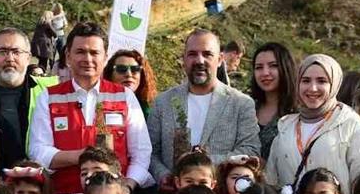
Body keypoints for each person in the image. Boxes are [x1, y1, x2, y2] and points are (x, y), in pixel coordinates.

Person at [29, 22, 153, 194]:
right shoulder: (49, 97)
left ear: (105, 57)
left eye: (94, 52)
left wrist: (128, 186)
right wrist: (84, 157)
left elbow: (141, 152)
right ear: (68, 56)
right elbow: (38, 151)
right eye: (80, 52)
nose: (87, 58)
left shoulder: (124, 96)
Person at [148, 29, 261, 184]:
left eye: (207, 54)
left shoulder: (241, 104)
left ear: (220, 60)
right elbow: (150, 152)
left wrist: (204, 163)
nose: (200, 60)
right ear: (184, 59)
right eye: (192, 54)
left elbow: (250, 150)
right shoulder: (162, 102)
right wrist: (164, 176)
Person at [265, 54, 360, 194]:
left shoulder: (349, 123)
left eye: (322, 81)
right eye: (306, 81)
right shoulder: (286, 126)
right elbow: (271, 180)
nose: (313, 88)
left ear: (334, 84)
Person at [0, 28, 58, 168]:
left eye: (16, 52)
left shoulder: (53, 89)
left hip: (40, 177)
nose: (10, 58)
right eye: (3, 52)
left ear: (28, 58)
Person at [250, 43, 297, 160]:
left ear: (286, 68)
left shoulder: (298, 113)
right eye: (259, 67)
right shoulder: (247, 108)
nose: (265, 73)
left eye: (273, 66)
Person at [104, 49, 158, 116]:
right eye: (121, 69)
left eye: (135, 69)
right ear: (110, 75)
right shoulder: (97, 104)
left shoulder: (154, 110)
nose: (129, 74)